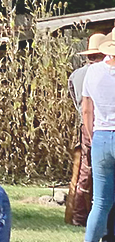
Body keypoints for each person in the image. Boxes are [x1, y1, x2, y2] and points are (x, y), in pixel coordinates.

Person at [69, 33, 110, 226]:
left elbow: (76, 100)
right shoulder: (102, 73)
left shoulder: (76, 75)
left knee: (85, 171)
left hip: (84, 125)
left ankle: (79, 214)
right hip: (102, 126)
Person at [82, 38, 115, 242]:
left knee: (100, 202)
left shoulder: (93, 71)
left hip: (101, 135)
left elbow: (87, 110)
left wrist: (93, 137)